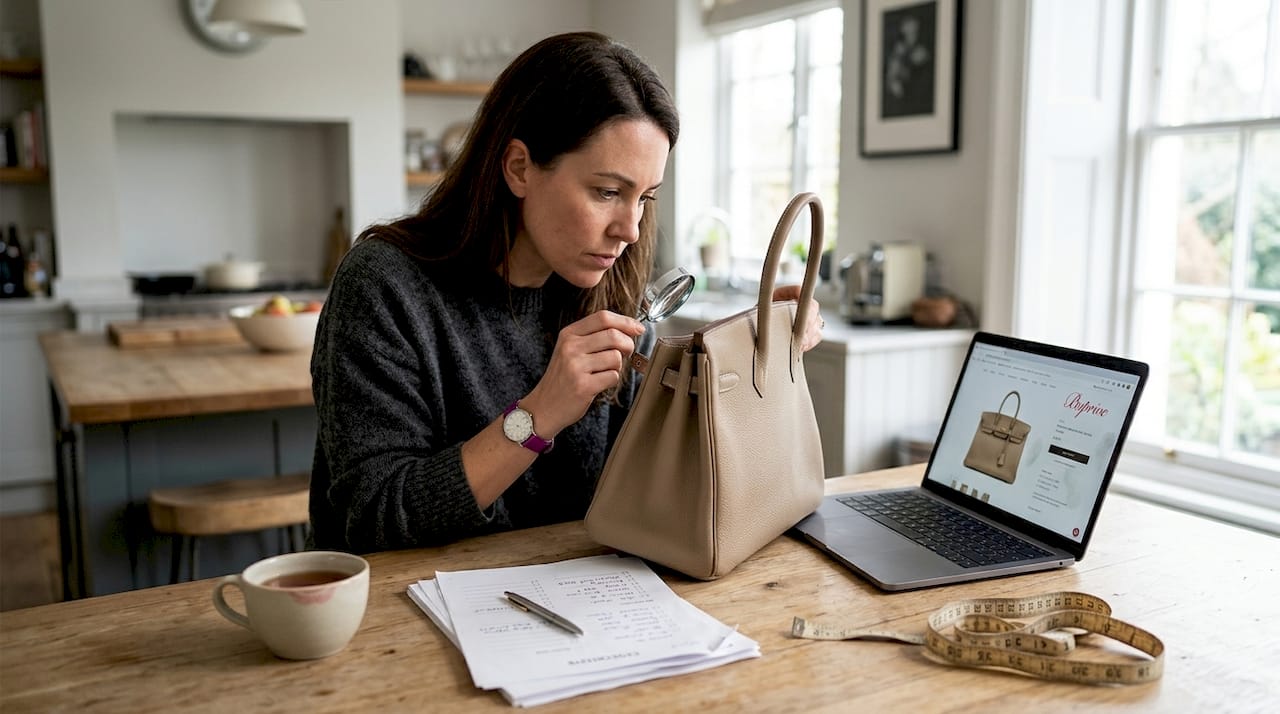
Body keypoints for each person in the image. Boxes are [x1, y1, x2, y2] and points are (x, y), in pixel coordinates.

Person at [310, 31, 824, 554]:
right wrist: (540, 414)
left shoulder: (611, 286)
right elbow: (372, 519)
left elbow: (655, 477)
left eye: (644, 197)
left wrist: (750, 344)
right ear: (519, 168)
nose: (629, 228)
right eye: (607, 192)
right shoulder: (385, 286)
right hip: (403, 613)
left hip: (577, 596)